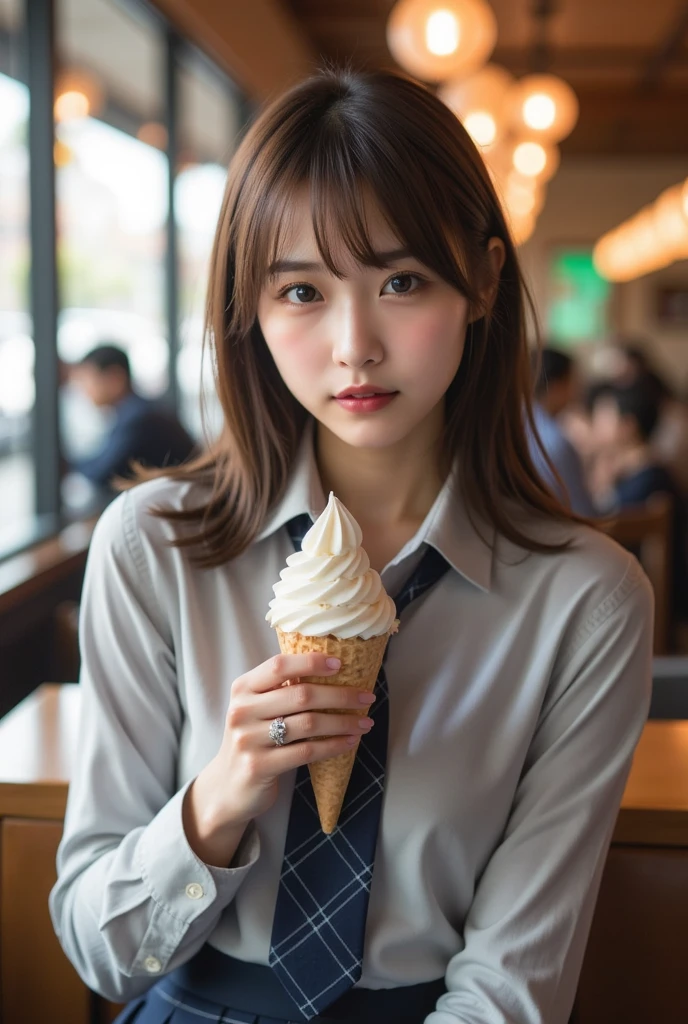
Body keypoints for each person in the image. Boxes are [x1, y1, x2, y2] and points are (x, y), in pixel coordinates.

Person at [49, 68, 653, 1024]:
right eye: (301, 289)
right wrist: (224, 791)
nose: (354, 345)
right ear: (250, 308)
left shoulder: (587, 599)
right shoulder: (153, 548)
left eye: (402, 280)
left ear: (484, 280)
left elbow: (513, 986)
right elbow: (99, 949)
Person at [590, 380, 688, 615]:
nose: (595, 420)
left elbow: (613, 534)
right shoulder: (635, 471)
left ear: (627, 425)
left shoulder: (651, 479)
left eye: (604, 415)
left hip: (654, 599)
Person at [67, 344, 197, 495]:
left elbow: (102, 472)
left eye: (87, 380)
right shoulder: (137, 411)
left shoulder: (139, 419)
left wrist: (67, 464)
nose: (85, 390)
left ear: (115, 378)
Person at [528, 346, 595, 515]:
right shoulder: (556, 442)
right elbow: (582, 513)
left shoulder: (514, 423)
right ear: (557, 387)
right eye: (574, 382)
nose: (578, 390)